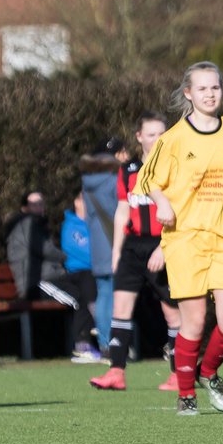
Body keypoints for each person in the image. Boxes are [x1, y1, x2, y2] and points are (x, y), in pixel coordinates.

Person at [135, 62, 223, 416]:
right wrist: (162, 204)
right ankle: (185, 396)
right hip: (185, 240)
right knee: (193, 321)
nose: (211, 93)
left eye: (216, 87)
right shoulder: (173, 139)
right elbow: (148, 181)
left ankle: (208, 372)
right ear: (189, 94)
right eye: (204, 88)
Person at [90, 112, 182, 392]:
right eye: (151, 134)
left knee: (173, 315)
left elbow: (182, 212)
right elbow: (122, 210)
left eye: (161, 134)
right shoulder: (128, 169)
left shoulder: (175, 169)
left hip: (162, 245)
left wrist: (165, 249)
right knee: (120, 309)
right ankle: (116, 372)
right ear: (139, 137)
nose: (157, 140)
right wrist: (117, 252)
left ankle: (179, 375)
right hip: (133, 247)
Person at [4, 191, 97, 360]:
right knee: (77, 298)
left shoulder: (38, 226)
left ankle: (99, 329)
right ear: (24, 208)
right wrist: (67, 257)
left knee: (86, 280)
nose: (38, 207)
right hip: (36, 283)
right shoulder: (26, 225)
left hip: (52, 278)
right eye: (34, 204)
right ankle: (82, 346)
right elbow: (44, 249)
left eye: (41, 203)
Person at [81, 138, 122, 354]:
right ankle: (118, 343)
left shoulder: (87, 179)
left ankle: (106, 342)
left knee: (103, 292)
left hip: (97, 241)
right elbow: (119, 209)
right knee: (118, 293)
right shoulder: (116, 177)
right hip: (114, 238)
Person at [61, 192, 103, 362]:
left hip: (97, 272)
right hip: (79, 273)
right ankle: (85, 342)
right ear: (76, 202)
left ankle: (110, 338)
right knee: (86, 290)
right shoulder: (70, 225)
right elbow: (80, 251)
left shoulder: (97, 223)